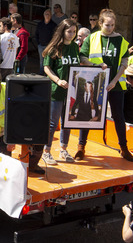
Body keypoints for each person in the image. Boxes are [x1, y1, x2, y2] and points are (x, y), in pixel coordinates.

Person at [79, 8, 133, 162]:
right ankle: (81, 146)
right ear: (100, 23)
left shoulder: (120, 40)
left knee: (118, 116)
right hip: (95, 81)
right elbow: (82, 57)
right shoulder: (92, 38)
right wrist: (95, 65)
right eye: (107, 25)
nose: (110, 28)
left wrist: (114, 81)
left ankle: (123, 148)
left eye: (112, 25)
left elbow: (125, 63)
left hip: (114, 84)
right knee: (89, 113)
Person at [42, 19, 92, 165]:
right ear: (62, 31)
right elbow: (47, 68)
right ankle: (46, 151)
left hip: (71, 91)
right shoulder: (54, 48)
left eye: (74, 32)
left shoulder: (75, 48)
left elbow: (80, 64)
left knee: (67, 122)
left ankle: (63, 149)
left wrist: (95, 66)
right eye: (69, 31)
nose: (72, 34)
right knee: (52, 123)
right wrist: (57, 80)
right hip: (57, 91)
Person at [35, 9, 57, 75]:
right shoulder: (40, 24)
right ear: (43, 15)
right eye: (46, 14)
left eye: (49, 14)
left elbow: (55, 36)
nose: (47, 16)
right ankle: (41, 74)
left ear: (51, 16)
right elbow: (36, 34)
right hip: (41, 46)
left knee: (48, 61)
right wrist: (38, 43)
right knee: (42, 61)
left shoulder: (54, 25)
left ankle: (48, 74)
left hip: (49, 46)